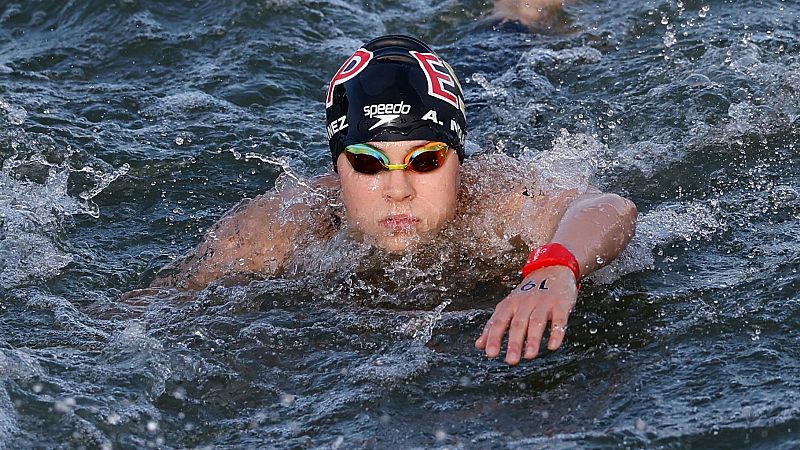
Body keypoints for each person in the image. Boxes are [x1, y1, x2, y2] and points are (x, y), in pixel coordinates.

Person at [140, 10, 637, 366]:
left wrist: (554, 268)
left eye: (425, 162)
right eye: (367, 163)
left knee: (510, 41)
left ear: (457, 164)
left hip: (504, 95)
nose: (397, 190)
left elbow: (608, 207)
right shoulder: (285, 222)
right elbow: (160, 306)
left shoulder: (498, 199)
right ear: (337, 169)